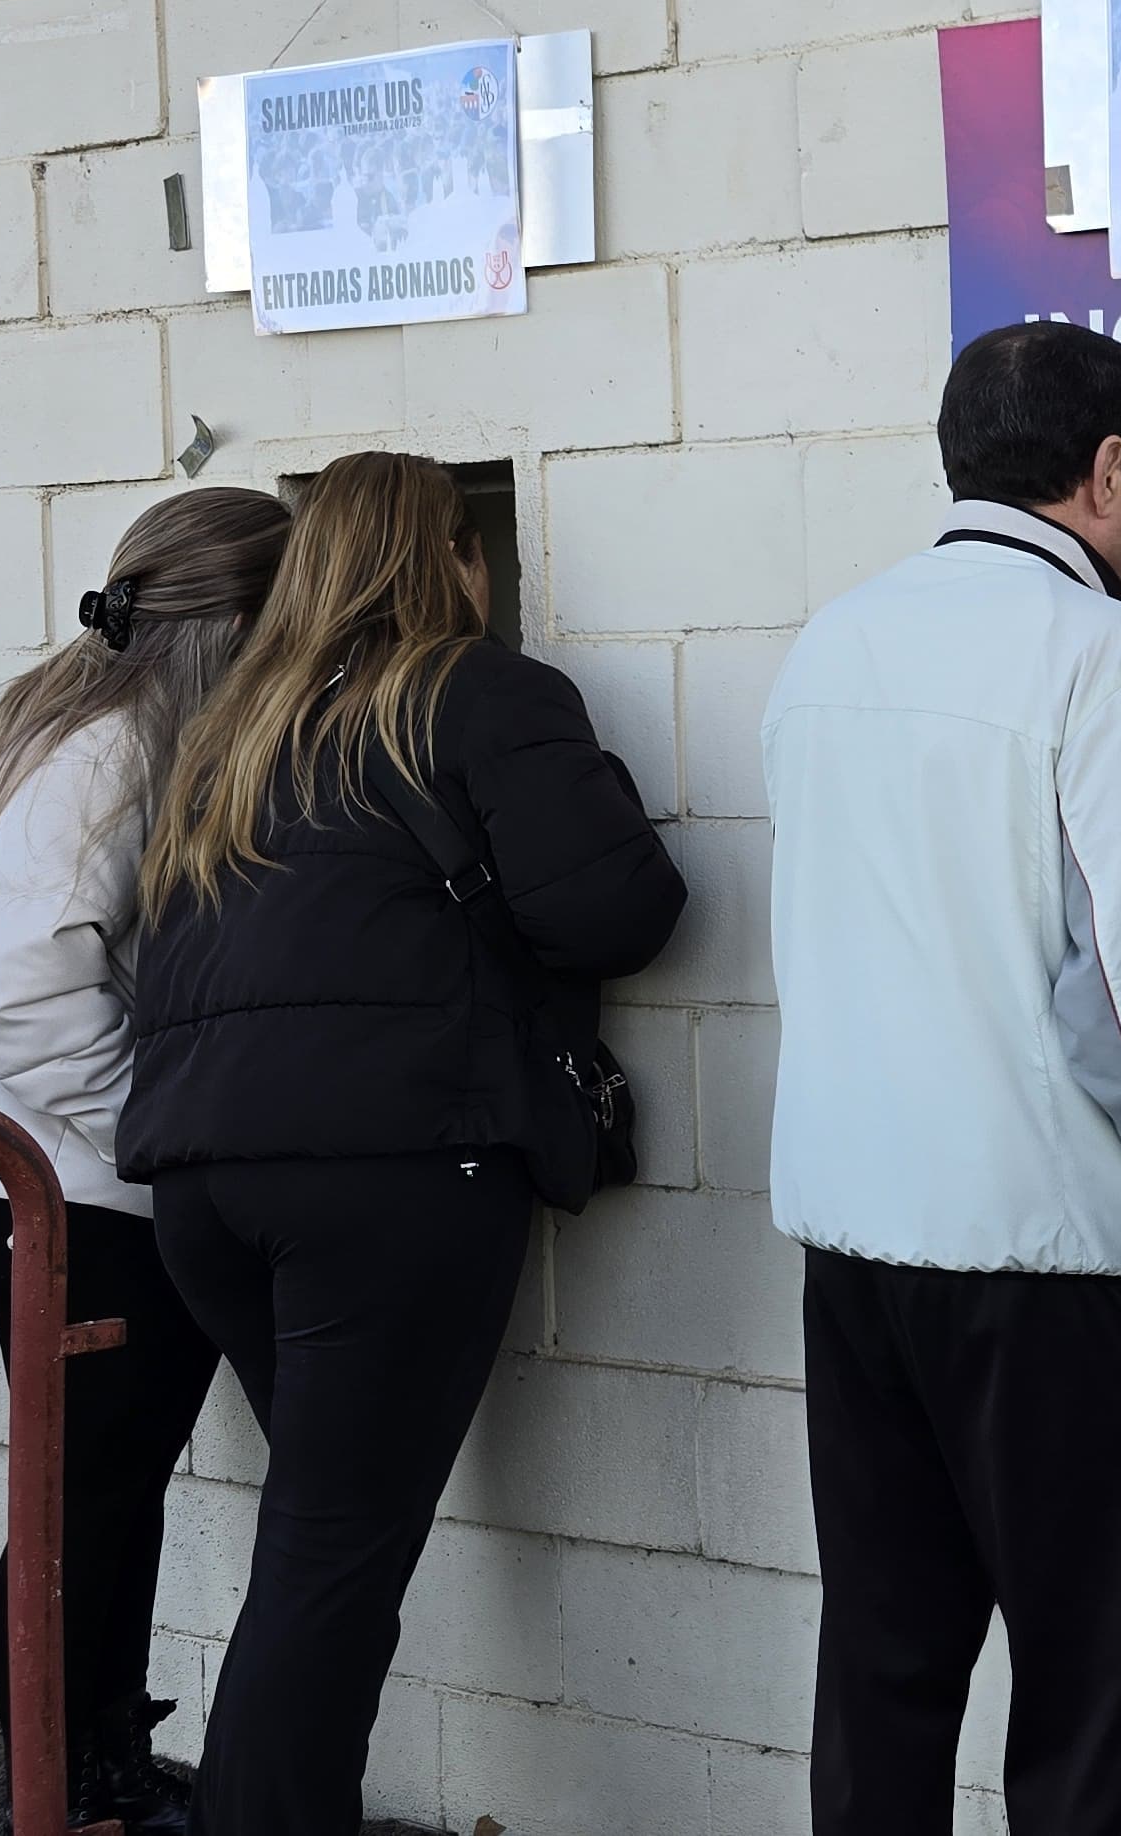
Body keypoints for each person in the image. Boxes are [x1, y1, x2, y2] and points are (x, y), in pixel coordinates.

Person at [118, 452, 683, 1835]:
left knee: (318, 1541)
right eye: (472, 546)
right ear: (446, 558)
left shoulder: (234, 723)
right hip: (387, 1174)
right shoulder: (480, 689)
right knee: (332, 1559)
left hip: (201, 1185)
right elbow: (619, 909)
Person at [764, 320, 1121, 1836]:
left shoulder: (833, 638)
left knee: (884, 1678)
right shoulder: (1106, 661)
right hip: (1049, 1268)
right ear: (1106, 470)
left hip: (853, 1253)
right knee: (1112, 1702)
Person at [0, 485, 291, 1836]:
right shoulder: (120, 746)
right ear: (233, 625)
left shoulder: (120, 722)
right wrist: (158, 1117)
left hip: (55, 1173)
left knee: (102, 1489)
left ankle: (93, 1773)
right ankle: (70, 1791)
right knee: (87, 1496)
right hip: (59, 1184)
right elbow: (7, 984)